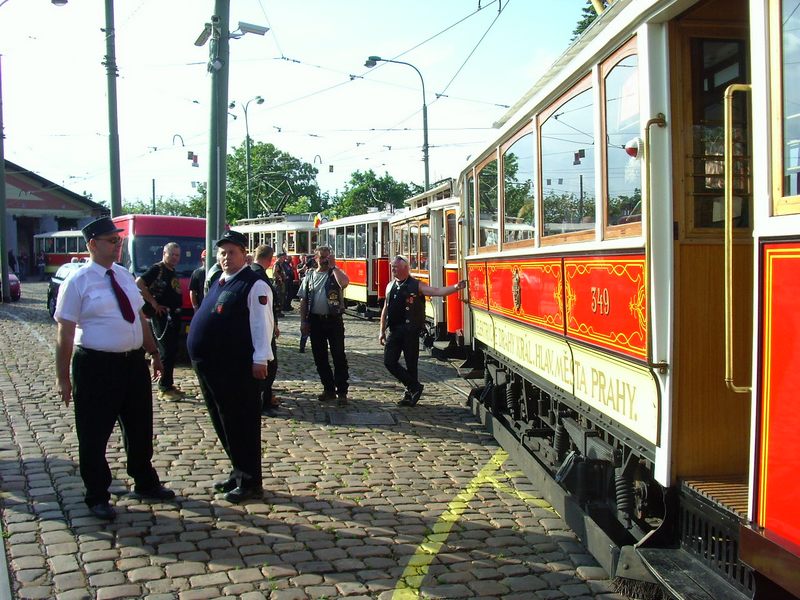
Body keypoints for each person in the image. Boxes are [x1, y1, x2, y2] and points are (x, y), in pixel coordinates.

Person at [54, 216, 175, 522]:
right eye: (111, 240)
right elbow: (65, 332)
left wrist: (153, 352)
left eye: (118, 240)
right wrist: (62, 378)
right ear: (93, 244)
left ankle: (144, 480)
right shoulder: (77, 281)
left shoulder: (122, 275)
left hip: (132, 363)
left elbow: (139, 318)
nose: (117, 245)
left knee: (139, 427)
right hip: (96, 365)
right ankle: (97, 494)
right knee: (94, 433)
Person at [187, 230, 274, 503]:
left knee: (241, 424)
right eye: (222, 252)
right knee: (223, 422)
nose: (226, 257)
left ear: (244, 254)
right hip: (212, 367)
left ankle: (250, 482)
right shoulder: (221, 280)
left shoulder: (253, 283)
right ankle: (238, 472)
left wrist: (261, 358)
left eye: (232, 252)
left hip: (237, 368)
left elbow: (263, 324)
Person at [379, 255, 467, 407]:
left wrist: (455, 287)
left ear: (405, 268)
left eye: (395, 267)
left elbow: (437, 291)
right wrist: (381, 331)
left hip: (410, 332)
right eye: (392, 267)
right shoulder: (390, 286)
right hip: (394, 330)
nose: (393, 269)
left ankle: (410, 393)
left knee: (411, 364)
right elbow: (385, 310)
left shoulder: (416, 285)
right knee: (389, 362)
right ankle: (415, 386)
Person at [299, 245, 350, 406]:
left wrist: (334, 266)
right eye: (322, 257)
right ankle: (328, 389)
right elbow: (303, 300)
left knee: (338, 356)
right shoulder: (310, 276)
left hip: (333, 320)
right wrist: (303, 321)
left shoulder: (335, 274)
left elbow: (344, 283)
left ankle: (342, 391)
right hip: (315, 320)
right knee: (319, 357)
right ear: (316, 258)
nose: (325, 260)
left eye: (327, 257)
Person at [136, 243, 184, 402]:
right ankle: (163, 387)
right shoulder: (158, 269)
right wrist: (154, 303)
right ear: (164, 253)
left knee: (172, 351)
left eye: (177, 255)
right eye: (172, 254)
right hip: (162, 316)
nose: (175, 258)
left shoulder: (172, 270)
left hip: (174, 315)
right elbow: (139, 283)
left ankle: (169, 383)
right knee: (165, 351)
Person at [251, 245, 281, 417]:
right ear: (270, 260)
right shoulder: (259, 275)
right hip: (263, 327)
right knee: (270, 364)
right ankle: (264, 400)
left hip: (264, 325)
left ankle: (266, 398)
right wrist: (273, 325)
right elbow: (265, 309)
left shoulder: (250, 272)